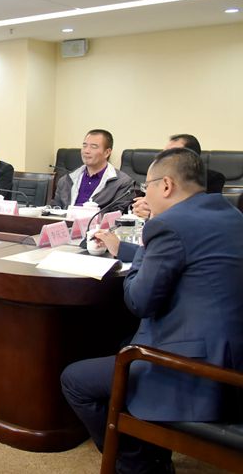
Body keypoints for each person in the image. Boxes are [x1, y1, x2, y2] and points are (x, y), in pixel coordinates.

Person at [62, 147, 243, 474]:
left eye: (147, 187)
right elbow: (188, 259)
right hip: (232, 357)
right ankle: (148, 454)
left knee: (76, 380)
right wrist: (133, 248)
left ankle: (137, 463)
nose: (143, 196)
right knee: (122, 342)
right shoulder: (231, 214)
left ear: (167, 185)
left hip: (196, 371)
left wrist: (147, 239)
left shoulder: (168, 223)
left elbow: (138, 301)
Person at [131, 134, 225, 219]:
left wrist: (156, 212)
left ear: (190, 156)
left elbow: (201, 211)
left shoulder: (211, 178)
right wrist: (140, 208)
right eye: (164, 153)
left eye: (171, 153)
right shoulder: (158, 175)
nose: (164, 158)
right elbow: (142, 202)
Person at [52, 129, 134, 210]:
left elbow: (118, 214)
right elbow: (55, 209)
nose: (86, 151)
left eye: (93, 147)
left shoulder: (122, 183)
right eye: (84, 146)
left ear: (107, 152)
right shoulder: (66, 180)